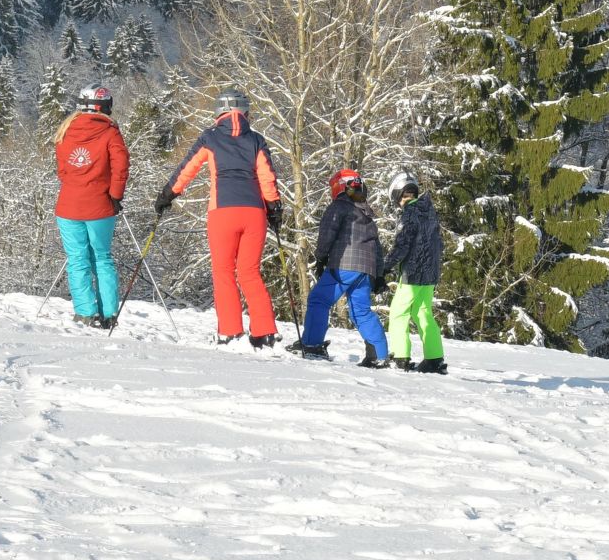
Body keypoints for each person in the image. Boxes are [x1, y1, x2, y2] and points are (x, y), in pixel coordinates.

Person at [154, 87, 284, 348]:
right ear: (246, 112)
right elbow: (267, 177)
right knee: (250, 272)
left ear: (218, 112)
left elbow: (187, 169)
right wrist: (274, 208)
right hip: (254, 213)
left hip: (223, 212)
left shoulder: (210, 138)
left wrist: (168, 195)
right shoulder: (256, 140)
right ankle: (264, 331)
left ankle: (230, 331)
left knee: (223, 272)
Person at [296, 167, 389, 367]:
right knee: (361, 311)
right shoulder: (367, 215)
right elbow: (377, 247)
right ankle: (379, 354)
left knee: (319, 300)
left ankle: (312, 345)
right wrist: (379, 275)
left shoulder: (338, 207)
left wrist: (320, 259)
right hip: (365, 270)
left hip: (344, 265)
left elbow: (327, 234)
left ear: (340, 188)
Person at [54, 86, 129, 330]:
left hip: (68, 205)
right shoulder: (110, 132)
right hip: (100, 205)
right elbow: (121, 166)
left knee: (77, 260)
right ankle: (108, 313)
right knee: (102, 258)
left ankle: (85, 312)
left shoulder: (65, 131)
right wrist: (115, 195)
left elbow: (62, 171)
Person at [380, 170, 446, 373]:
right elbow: (438, 243)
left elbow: (402, 245)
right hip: (430, 274)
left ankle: (400, 357)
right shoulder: (429, 212)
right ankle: (434, 358)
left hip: (412, 274)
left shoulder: (409, 213)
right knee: (423, 312)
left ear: (399, 195)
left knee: (399, 313)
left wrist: (384, 267)